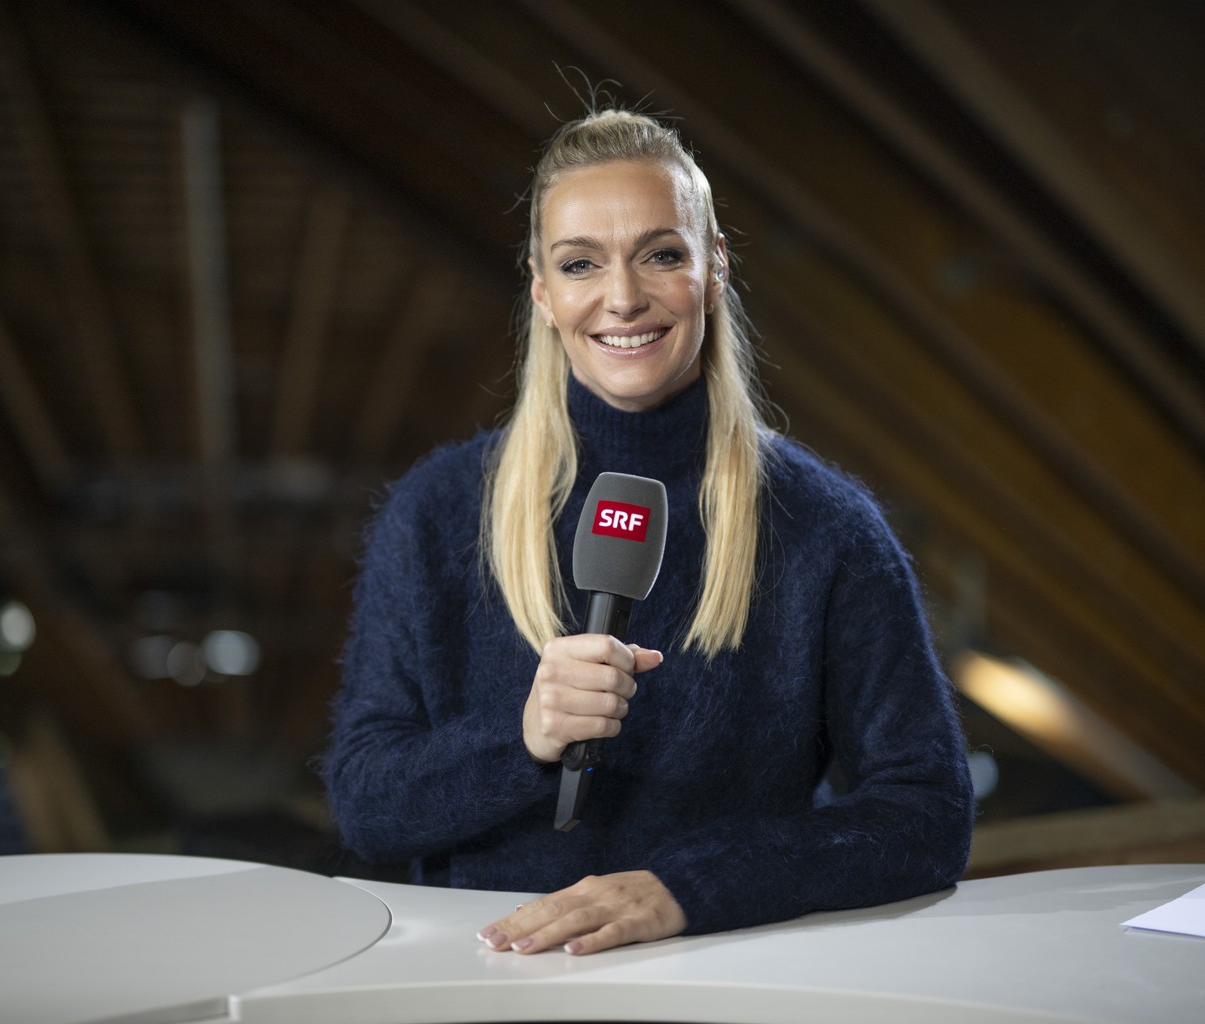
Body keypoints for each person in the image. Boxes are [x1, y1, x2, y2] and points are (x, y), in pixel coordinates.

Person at [324, 108, 973, 956]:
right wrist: (521, 740)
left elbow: (926, 813)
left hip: (724, 983)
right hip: (485, 984)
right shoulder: (438, 511)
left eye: (662, 255)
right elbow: (368, 804)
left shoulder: (825, 529)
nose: (622, 297)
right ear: (542, 291)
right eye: (581, 263)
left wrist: (690, 887)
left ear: (714, 270)